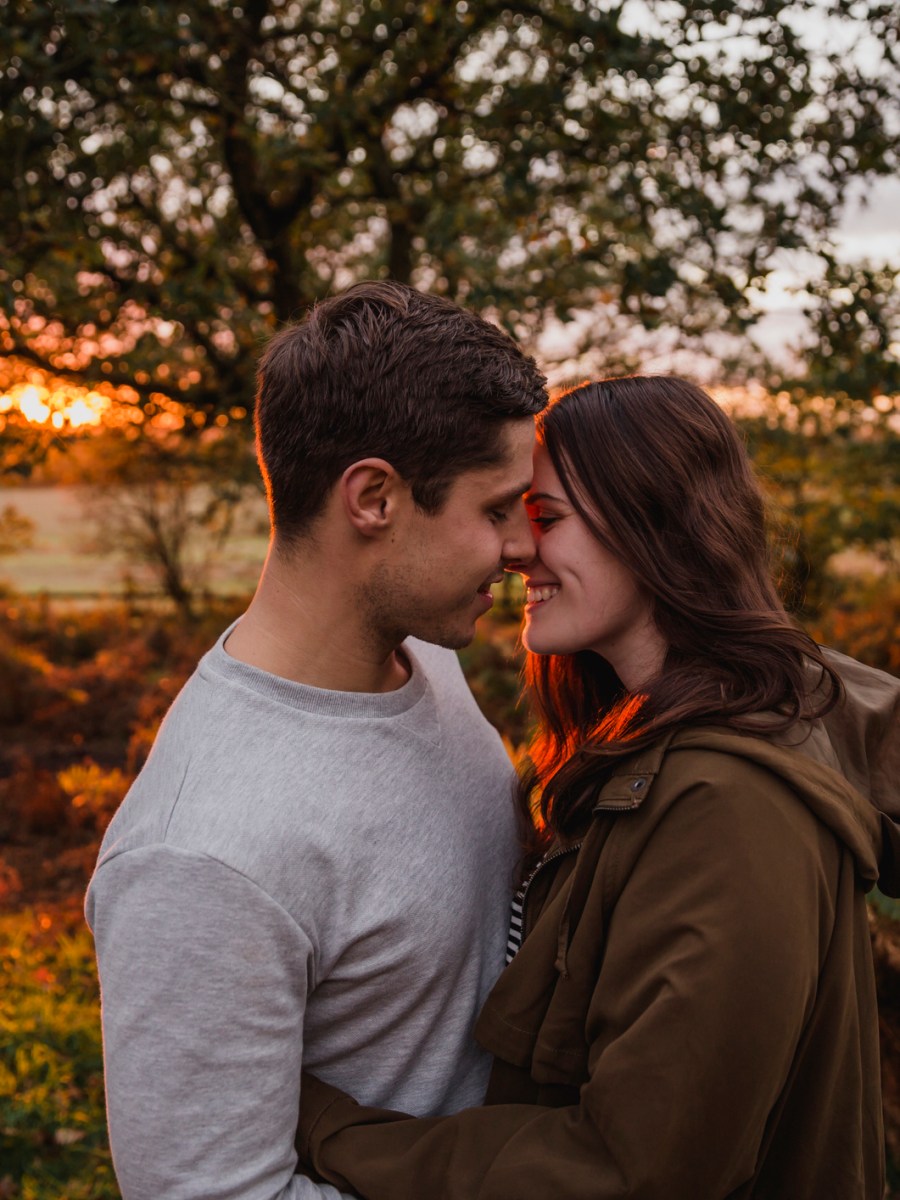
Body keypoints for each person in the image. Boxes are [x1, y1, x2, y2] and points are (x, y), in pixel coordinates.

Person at [296, 375, 900, 1199]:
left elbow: (633, 1171)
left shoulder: (723, 807)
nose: (516, 551)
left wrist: (328, 1128)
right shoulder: (750, 699)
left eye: (546, 518)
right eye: (508, 514)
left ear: (658, 526)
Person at [85, 281, 548, 1199]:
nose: (521, 546)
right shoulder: (200, 858)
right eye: (496, 509)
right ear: (374, 497)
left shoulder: (424, 657)